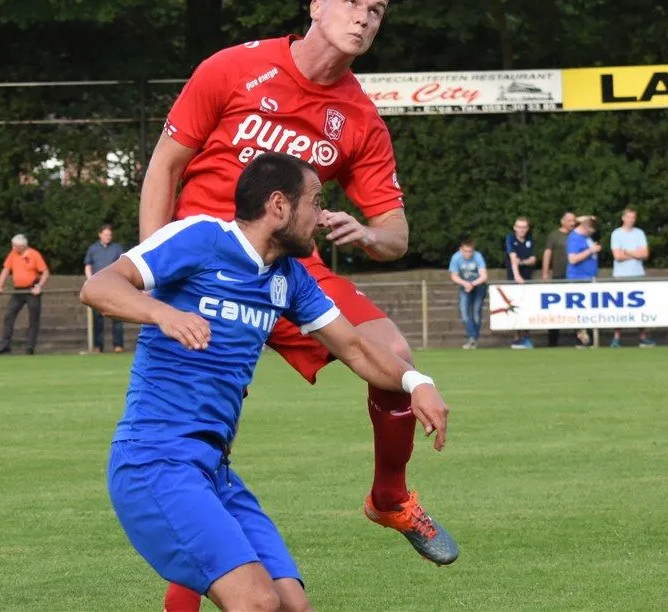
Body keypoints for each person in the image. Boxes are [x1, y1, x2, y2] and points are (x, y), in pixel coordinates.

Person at [139, 0, 455, 609]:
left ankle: (390, 497)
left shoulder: (359, 118)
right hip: (207, 269)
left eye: (374, 11)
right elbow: (165, 166)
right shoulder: (232, 67)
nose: (362, 18)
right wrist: (156, 266)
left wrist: (365, 234)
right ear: (314, 6)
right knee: (197, 443)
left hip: (291, 270)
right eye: (349, 1)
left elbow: (395, 232)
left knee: (392, 358)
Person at [81, 153, 455, 612]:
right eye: (315, 204)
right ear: (279, 205)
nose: (322, 218)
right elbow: (99, 286)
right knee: (257, 601)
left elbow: (355, 348)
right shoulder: (202, 237)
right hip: (155, 459)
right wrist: (165, 313)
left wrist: (417, 381)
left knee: (292, 604)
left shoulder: (289, 278)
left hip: (214, 470)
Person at [0, 234, 49, 355]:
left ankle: (30, 346)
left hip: (31, 290)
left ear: (22, 246)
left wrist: (39, 286)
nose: (12, 248)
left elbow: (45, 272)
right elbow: (6, 270)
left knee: (33, 318)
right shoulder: (13, 254)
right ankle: (5, 344)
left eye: (15, 246)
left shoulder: (34, 254)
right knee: (9, 316)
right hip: (18, 290)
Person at [542, 212, 589, 348]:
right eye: (569, 220)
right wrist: (545, 272)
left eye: (574, 221)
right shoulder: (554, 236)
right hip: (559, 276)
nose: (572, 223)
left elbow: (590, 221)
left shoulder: (579, 234)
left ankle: (580, 340)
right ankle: (552, 341)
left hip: (576, 276)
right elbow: (547, 253)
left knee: (577, 308)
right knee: (556, 309)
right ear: (562, 221)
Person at [610, 207, 654, 348]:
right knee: (620, 307)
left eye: (633, 217)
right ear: (623, 218)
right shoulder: (616, 234)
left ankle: (642, 337)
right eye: (628, 217)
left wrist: (627, 251)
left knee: (640, 307)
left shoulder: (639, 233)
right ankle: (616, 338)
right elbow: (617, 256)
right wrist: (636, 253)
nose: (631, 220)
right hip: (621, 275)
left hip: (638, 274)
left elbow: (645, 254)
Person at [84, 224, 125, 352]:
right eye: (106, 234)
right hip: (98, 287)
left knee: (117, 317)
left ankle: (118, 345)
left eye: (109, 235)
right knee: (97, 319)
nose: (108, 237)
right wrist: (90, 280)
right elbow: (88, 265)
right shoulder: (93, 249)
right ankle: (98, 346)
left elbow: (124, 264)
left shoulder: (118, 248)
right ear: (100, 234)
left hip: (115, 286)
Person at [448, 238, 488, 349]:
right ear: (461, 250)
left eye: (470, 251)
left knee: (476, 312)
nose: (468, 254)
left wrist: (472, 284)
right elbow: (454, 276)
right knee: (465, 313)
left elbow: (484, 276)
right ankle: (472, 338)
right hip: (464, 286)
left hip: (479, 286)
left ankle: (473, 339)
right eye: (465, 251)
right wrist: (466, 284)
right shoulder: (456, 257)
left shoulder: (478, 256)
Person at [504, 217, 536, 349]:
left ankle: (526, 337)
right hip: (514, 279)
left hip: (528, 278)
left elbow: (533, 259)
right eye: (519, 227)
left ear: (527, 228)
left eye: (524, 227)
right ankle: (517, 338)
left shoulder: (530, 240)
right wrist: (517, 276)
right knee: (515, 307)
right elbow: (513, 258)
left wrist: (522, 262)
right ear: (514, 227)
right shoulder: (510, 238)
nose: (521, 230)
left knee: (527, 307)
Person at [566, 215, 601, 283]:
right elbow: (572, 259)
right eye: (590, 230)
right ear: (584, 227)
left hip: (589, 278)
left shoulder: (586, 237)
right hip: (578, 279)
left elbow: (593, 218)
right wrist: (591, 250)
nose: (592, 232)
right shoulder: (574, 238)